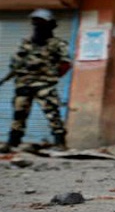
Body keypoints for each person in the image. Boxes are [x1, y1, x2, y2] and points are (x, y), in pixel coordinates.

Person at [0, 9, 71, 153]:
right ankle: (13, 143)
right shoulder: (26, 43)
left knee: (52, 113)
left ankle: (60, 143)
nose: (37, 25)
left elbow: (66, 63)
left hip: (44, 84)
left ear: (50, 24)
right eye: (35, 22)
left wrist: (52, 77)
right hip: (24, 83)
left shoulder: (57, 44)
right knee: (19, 115)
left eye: (42, 22)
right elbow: (16, 63)